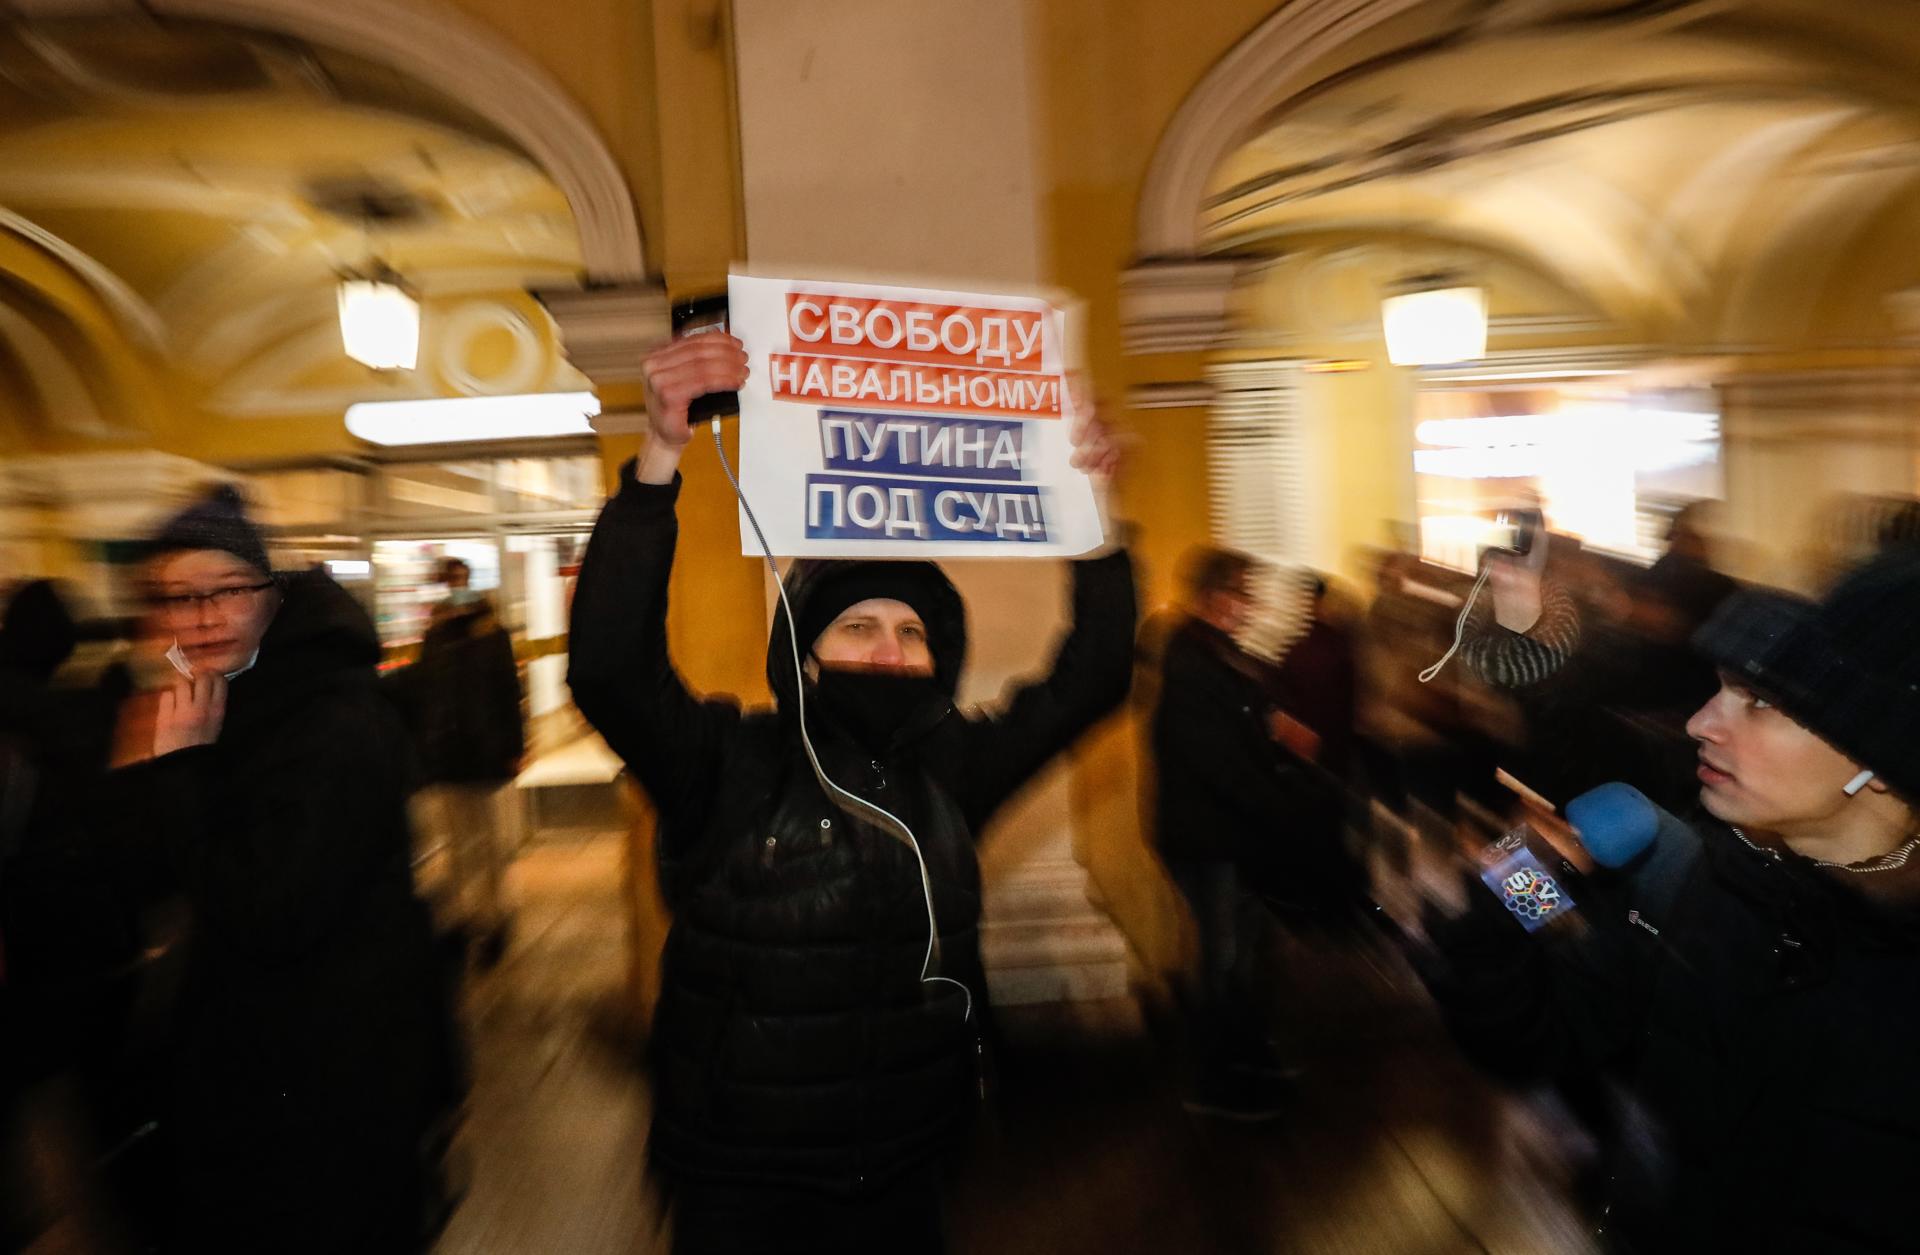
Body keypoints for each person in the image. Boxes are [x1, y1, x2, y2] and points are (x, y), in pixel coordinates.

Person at [566, 332, 1135, 1254]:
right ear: (806, 654)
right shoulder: (726, 762)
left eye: (913, 634)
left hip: (909, 1167)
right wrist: (659, 460)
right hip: (741, 1180)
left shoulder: (955, 767)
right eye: (859, 626)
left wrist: (1094, 507)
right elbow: (609, 669)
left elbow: (1095, 676)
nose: (887, 651)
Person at [1420, 546, 1920, 1253]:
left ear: (1879, 755)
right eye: (1721, 687)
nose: (1701, 722)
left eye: (1762, 703)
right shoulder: (1694, 875)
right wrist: (1508, 881)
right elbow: (1537, 1035)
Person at [103, 485, 455, 1253]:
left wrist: (178, 770)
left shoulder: (330, 721)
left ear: (272, 592)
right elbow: (153, 878)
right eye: (174, 598)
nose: (197, 618)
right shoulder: (228, 698)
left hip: (330, 1099)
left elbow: (268, 908)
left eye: (225, 591)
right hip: (261, 1090)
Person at [1148, 548, 1345, 1119]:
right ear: (1216, 597)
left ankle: (1249, 1058)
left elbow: (1253, 720)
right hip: (1209, 840)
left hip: (1230, 838)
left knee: (1241, 955)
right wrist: (1288, 806)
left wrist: (1276, 728)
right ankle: (1217, 1081)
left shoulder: (1215, 654)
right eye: (1244, 591)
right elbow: (1223, 766)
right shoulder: (1189, 663)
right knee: (1222, 960)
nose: (1252, 604)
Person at [405, 556, 524, 965]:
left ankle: (490, 920)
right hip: (448, 756)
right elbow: (426, 694)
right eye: (447, 580)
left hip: (482, 753)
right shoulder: (436, 636)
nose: (453, 588)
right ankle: (461, 919)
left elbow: (508, 693)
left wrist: (513, 747)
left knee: (485, 843)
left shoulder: (491, 634)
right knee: (457, 845)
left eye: (456, 580)